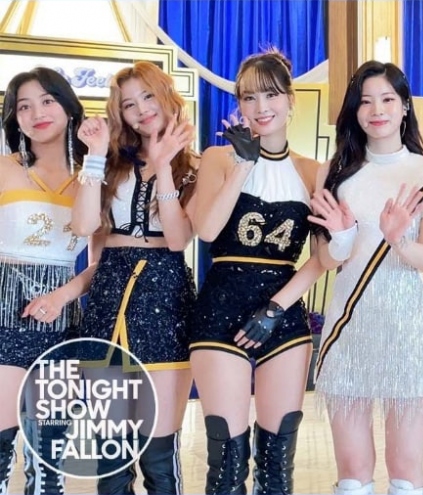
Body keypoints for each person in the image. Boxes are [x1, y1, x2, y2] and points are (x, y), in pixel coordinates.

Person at [188, 49, 325, 495]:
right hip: (221, 303)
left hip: (282, 308)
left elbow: (324, 257)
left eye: (270, 95)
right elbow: (207, 230)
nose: (261, 107)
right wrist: (242, 167)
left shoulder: (313, 172)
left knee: (277, 463)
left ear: (290, 100)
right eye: (248, 97)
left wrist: (274, 309)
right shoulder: (218, 158)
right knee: (226, 461)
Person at [310, 60, 423, 495]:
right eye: (366, 101)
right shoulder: (335, 172)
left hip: (406, 326)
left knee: (405, 468)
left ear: (405, 106)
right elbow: (326, 259)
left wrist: (397, 240)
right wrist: (343, 237)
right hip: (348, 324)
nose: (377, 110)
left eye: (387, 98)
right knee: (352, 470)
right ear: (355, 110)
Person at [71, 61, 197, 495]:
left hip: (165, 300)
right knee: (111, 449)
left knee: (159, 450)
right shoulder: (110, 165)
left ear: (166, 95)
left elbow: (178, 240)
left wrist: (162, 166)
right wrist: (94, 155)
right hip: (108, 303)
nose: (141, 109)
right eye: (129, 104)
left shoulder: (196, 166)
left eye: (148, 96)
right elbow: (87, 229)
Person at [0, 67, 92, 495]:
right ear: (14, 118)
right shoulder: (5, 169)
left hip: (62, 321)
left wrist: (62, 295)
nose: (36, 113)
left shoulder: (93, 176)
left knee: (49, 456)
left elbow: (101, 261)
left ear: (68, 106)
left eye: (47, 101)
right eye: (24, 106)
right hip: (4, 311)